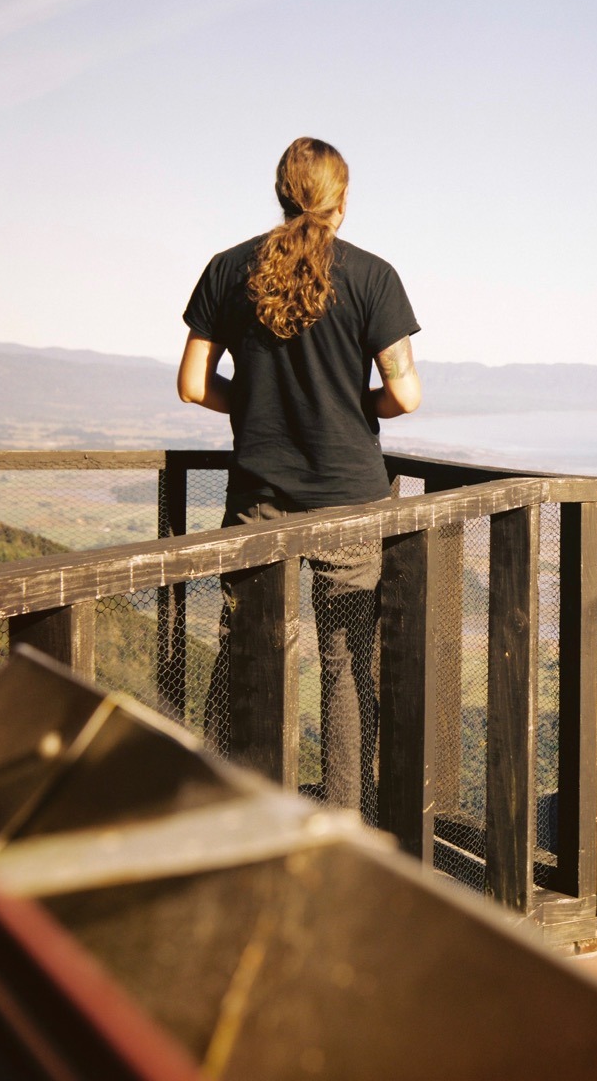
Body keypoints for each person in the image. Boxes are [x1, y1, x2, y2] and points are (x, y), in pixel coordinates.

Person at [178, 136, 420, 819]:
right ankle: (347, 816)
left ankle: (224, 802)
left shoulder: (227, 270)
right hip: (350, 501)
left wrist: (252, 405)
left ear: (282, 193)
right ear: (341, 201)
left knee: (247, 650)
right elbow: (405, 396)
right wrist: (354, 408)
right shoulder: (374, 277)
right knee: (346, 667)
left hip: (258, 498)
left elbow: (194, 385)